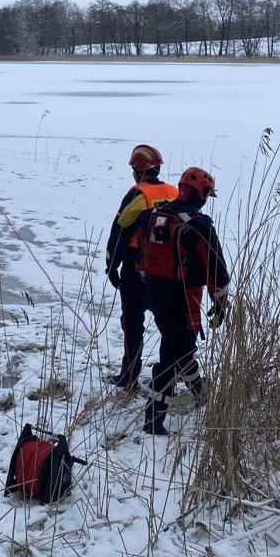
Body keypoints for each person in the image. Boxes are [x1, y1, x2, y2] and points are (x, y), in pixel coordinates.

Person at [135, 166, 230, 434]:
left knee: (183, 349)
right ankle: (153, 422)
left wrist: (149, 286)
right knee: (169, 358)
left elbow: (139, 259)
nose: (206, 199)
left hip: (155, 296)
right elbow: (217, 272)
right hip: (183, 302)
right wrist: (221, 304)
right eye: (207, 194)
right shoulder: (198, 226)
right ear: (200, 193)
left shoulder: (151, 215)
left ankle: (200, 395)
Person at [104, 145, 178, 390]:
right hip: (168, 271)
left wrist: (111, 266)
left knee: (132, 323)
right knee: (169, 326)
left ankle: (129, 376)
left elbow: (120, 230)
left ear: (137, 170)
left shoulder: (138, 195)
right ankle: (180, 376)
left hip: (136, 269)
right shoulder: (173, 192)